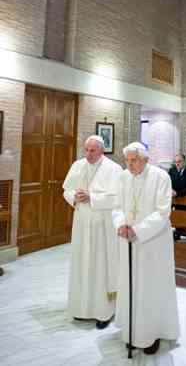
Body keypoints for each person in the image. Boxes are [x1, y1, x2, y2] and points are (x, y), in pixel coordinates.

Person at [112, 142, 179, 355]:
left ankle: (153, 332)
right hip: (128, 240)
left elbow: (162, 212)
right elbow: (116, 207)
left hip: (153, 243)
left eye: (134, 160)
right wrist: (121, 223)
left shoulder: (161, 177)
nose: (130, 165)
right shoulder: (123, 177)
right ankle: (132, 331)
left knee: (150, 287)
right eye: (127, 160)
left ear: (146, 160)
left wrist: (138, 230)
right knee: (131, 285)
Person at [63, 135, 122, 329]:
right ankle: (82, 309)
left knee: (100, 267)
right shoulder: (78, 165)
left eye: (92, 150)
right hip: (81, 223)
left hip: (102, 226)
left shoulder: (113, 169)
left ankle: (104, 312)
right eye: (86, 150)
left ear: (101, 151)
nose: (88, 154)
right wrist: (75, 197)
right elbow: (66, 190)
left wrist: (92, 197)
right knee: (82, 265)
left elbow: (117, 198)